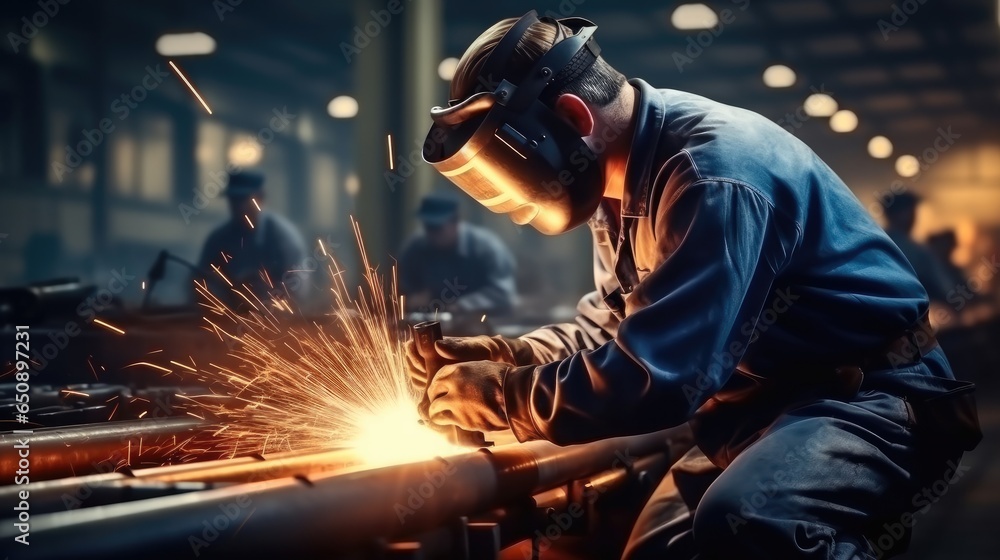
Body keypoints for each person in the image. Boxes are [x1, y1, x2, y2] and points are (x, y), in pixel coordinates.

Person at [405, 12, 981, 560]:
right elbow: (614, 324)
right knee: (661, 549)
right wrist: (515, 355)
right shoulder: (616, 180)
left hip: (871, 399)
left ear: (576, 119)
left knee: (751, 523)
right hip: (766, 410)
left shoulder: (712, 174)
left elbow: (661, 373)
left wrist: (509, 396)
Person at [194, 170, 311, 309]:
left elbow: (298, 288)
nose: (238, 206)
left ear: (260, 198)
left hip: (277, 320)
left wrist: (266, 298)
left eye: (243, 199)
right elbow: (200, 281)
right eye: (234, 200)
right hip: (228, 318)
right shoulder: (219, 239)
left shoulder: (284, 238)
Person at [398, 192, 517, 315]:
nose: (432, 234)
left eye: (437, 228)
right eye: (428, 227)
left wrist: (463, 305)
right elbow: (403, 290)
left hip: (485, 324)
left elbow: (503, 294)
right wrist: (413, 298)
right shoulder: (416, 247)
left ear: (455, 223)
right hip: (431, 322)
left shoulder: (487, 247)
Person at [880, 192, 953, 303]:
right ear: (895, 214)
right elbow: (944, 289)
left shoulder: (878, 241)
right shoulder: (916, 250)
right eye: (909, 210)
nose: (914, 215)